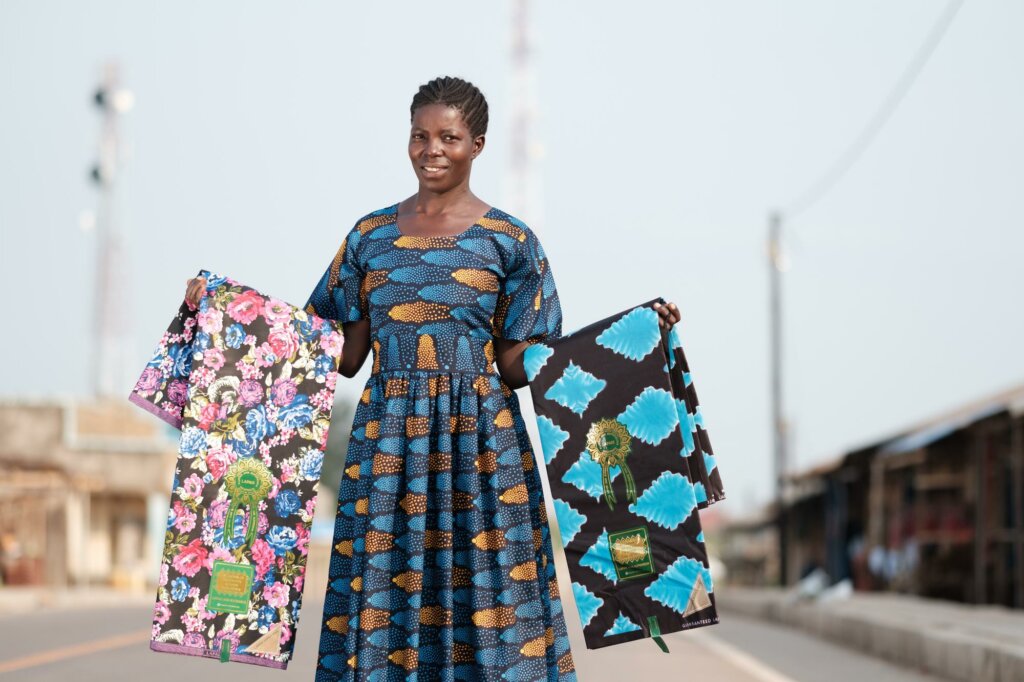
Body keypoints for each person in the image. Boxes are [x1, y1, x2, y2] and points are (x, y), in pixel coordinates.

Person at [184, 75, 681, 681]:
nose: (432, 149)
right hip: (388, 448)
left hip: (483, 448)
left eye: (449, 137)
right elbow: (337, 352)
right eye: (420, 136)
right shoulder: (369, 238)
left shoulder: (511, 242)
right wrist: (224, 307)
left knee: (496, 597)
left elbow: (521, 361)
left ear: (478, 144)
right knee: (382, 596)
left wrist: (631, 331)